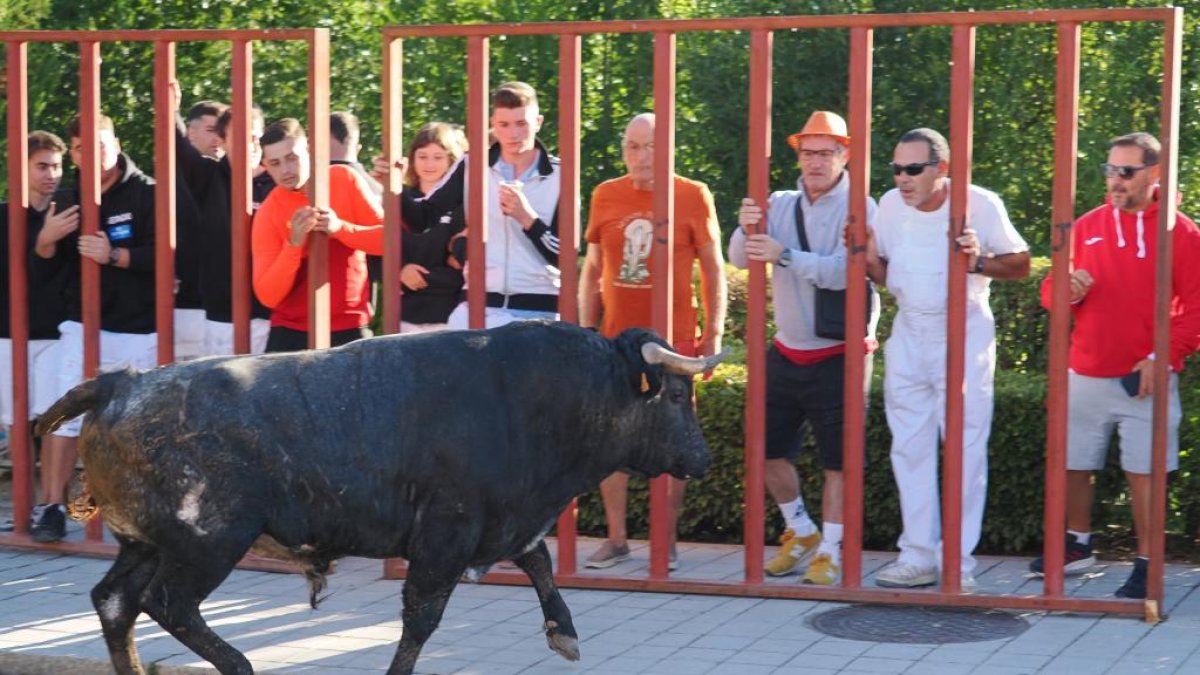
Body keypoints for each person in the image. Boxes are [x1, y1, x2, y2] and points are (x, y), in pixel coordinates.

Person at [1031, 132, 1200, 599]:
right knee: (1073, 462)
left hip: (1144, 378)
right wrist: (1066, 288)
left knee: (1145, 472)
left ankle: (1149, 563)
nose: (1115, 180)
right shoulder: (1085, 226)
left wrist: (1163, 357)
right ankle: (1077, 544)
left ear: (1155, 173)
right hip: (1084, 369)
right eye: (1110, 170)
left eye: (1125, 171)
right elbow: (1049, 294)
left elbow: (1196, 308)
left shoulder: (1181, 232)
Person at [862, 128, 1030, 588]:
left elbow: (1021, 263)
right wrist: (863, 254)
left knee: (965, 448)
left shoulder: (980, 203)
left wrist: (977, 262)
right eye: (896, 168)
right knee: (908, 446)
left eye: (913, 169)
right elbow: (885, 274)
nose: (902, 178)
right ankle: (917, 556)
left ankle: (958, 562)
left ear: (942, 169)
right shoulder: (890, 206)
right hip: (910, 330)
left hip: (964, 331)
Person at [729, 111, 878, 585]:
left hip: (841, 353)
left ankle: (831, 551)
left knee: (839, 460)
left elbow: (848, 272)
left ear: (845, 155)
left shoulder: (861, 206)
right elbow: (737, 258)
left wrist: (785, 255)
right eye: (808, 152)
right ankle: (801, 530)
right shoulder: (779, 202)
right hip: (788, 350)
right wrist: (745, 225)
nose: (815, 162)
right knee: (767, 450)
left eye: (826, 152)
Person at [579, 112, 727, 570]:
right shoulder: (606, 193)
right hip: (616, 343)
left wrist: (714, 331)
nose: (641, 155)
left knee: (672, 438)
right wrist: (587, 332)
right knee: (611, 440)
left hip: (674, 343)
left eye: (651, 146)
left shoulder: (692, 194)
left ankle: (668, 542)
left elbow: (713, 267)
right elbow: (592, 269)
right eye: (632, 146)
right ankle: (618, 538)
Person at [31, 115, 159, 542]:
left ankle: (135, 514)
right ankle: (51, 507)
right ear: (75, 153)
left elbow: (169, 256)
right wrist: (45, 239)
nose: (93, 154)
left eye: (100, 144)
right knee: (64, 419)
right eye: (82, 149)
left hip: (138, 328)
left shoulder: (148, 193)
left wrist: (115, 255)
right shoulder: (68, 198)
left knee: (133, 426)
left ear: (116, 142)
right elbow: (44, 266)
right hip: (80, 325)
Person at [252, 118, 384, 352]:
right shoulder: (268, 211)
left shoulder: (344, 178)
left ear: (309, 149)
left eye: (291, 158)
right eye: (275, 163)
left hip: (350, 324)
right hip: (291, 333)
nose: (285, 170)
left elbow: (389, 241)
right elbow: (267, 295)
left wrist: (341, 228)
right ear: (265, 165)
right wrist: (294, 245)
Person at [0, 133, 76, 524]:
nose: (52, 174)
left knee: (53, 419)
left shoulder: (72, 214)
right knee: (16, 422)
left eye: (57, 166)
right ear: (22, 168)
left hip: (56, 333)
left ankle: (52, 506)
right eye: (42, 166)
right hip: (8, 334)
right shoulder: (4, 216)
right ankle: (22, 508)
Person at [446, 81, 561, 329]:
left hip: (537, 313)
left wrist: (527, 218)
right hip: (478, 309)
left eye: (522, 124)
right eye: (504, 125)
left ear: (538, 123)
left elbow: (566, 256)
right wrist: (392, 181)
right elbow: (424, 214)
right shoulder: (472, 167)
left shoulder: (560, 175)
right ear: (492, 124)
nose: (513, 134)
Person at [175, 94, 275, 356]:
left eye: (255, 138)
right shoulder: (209, 177)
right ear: (222, 141)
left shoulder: (280, 182)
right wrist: (169, 108)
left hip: (272, 315)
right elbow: (176, 146)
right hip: (222, 315)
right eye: (242, 138)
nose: (251, 146)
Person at [397, 122, 467, 332]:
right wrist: (401, 270)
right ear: (412, 159)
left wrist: (424, 277)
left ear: (452, 161)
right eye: (422, 156)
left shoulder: (462, 206)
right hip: (405, 319)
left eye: (438, 157)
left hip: (451, 318)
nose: (429, 164)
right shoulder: (398, 200)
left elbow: (463, 270)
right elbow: (378, 255)